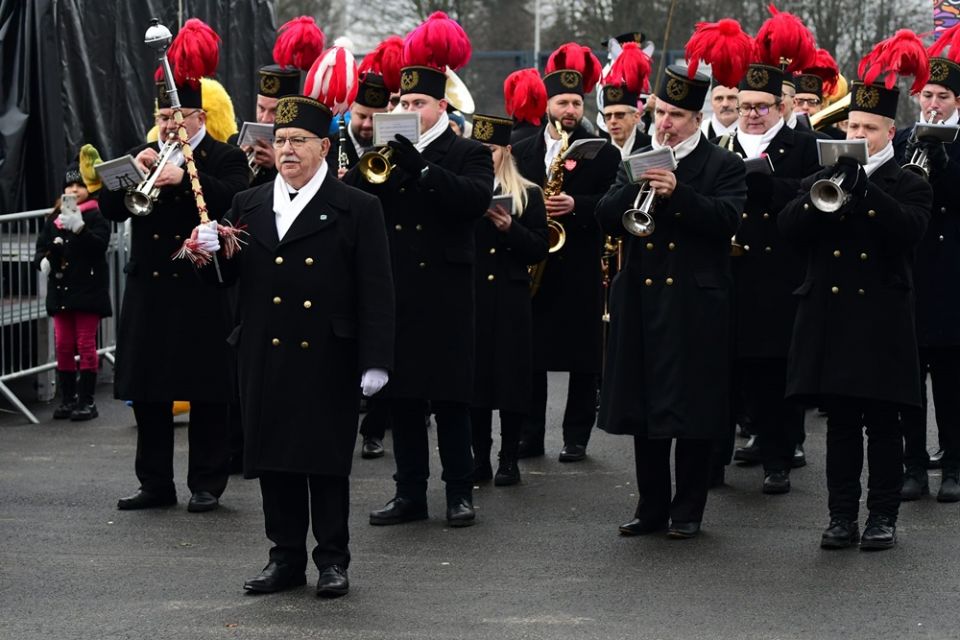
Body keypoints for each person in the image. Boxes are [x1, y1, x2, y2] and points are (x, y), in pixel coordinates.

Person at [195, 91, 395, 597]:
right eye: (279, 140)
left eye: (298, 140)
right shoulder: (250, 202)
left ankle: (332, 559)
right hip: (264, 349)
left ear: (323, 148)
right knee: (274, 460)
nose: (286, 149)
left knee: (323, 461)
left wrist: (376, 360)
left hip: (327, 353)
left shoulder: (356, 207)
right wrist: (214, 251)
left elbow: (377, 288)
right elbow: (228, 280)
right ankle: (283, 557)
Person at [778, 45, 933, 549]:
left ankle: (882, 515)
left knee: (884, 424)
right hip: (832, 315)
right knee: (843, 425)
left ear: (890, 132)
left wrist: (867, 191)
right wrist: (819, 196)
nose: (857, 136)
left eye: (868, 128)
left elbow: (909, 232)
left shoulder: (909, 181)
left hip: (883, 318)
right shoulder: (824, 175)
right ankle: (841, 515)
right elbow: (789, 230)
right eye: (851, 128)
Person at [344, 12, 494, 528]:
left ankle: (458, 492)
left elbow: (474, 201)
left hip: (447, 290)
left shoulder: (468, 151)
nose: (409, 109)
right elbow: (362, 205)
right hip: (397, 288)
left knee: (450, 396)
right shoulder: (382, 154)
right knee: (403, 396)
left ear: (441, 107)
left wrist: (423, 170)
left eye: (418, 103)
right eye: (403, 103)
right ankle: (409, 493)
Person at [596, 64, 746, 539]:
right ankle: (651, 505)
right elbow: (605, 217)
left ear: (696, 119)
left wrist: (680, 193)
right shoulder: (639, 157)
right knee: (645, 406)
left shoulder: (723, 164)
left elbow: (727, 219)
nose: (665, 122)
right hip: (642, 297)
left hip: (695, 304)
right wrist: (632, 185)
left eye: (676, 115)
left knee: (694, 408)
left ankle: (688, 509)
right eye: (661, 112)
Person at [99, 64, 249, 513]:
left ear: (200, 117)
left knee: (206, 391)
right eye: (163, 116)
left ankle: (207, 483)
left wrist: (184, 182)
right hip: (151, 290)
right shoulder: (144, 152)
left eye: (177, 115)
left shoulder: (224, 156)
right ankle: (155, 483)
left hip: (201, 290)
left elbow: (233, 198)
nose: (168, 125)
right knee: (149, 392)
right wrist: (130, 173)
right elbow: (111, 208)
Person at [511, 43, 621, 462]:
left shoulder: (603, 150)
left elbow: (612, 202)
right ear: (548, 105)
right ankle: (530, 434)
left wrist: (577, 206)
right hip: (534, 261)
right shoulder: (522, 152)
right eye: (563, 102)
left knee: (582, 354)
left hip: (579, 262)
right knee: (532, 355)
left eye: (577, 102)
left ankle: (576, 437)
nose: (571, 109)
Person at [727, 61, 820, 495]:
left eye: (762, 107)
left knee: (775, 369)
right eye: (746, 106)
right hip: (730, 268)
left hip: (779, 269)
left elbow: (814, 190)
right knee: (731, 368)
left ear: (781, 107)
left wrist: (771, 187)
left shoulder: (802, 143)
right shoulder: (722, 142)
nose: (752, 114)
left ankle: (779, 458)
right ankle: (729, 450)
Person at [893, 43, 960, 502]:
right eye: (927, 95)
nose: (932, 104)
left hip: (953, 276)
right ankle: (913, 464)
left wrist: (944, 168)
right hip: (910, 276)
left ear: (958, 102)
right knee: (907, 384)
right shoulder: (902, 140)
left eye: (942, 96)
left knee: (954, 384)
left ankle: (954, 465)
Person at [467, 113, 548, 485]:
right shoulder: (466, 189)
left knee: (511, 380)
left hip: (511, 296)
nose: (487, 155)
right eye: (480, 149)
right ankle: (479, 458)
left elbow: (538, 248)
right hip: (474, 296)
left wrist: (509, 227)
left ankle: (509, 458)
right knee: (477, 381)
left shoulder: (528, 193)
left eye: (493, 149)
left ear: (507, 151)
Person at [35, 167, 112, 421]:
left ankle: (86, 401)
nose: (74, 190)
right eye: (70, 186)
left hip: (88, 289)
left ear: (90, 188)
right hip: (61, 291)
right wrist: (44, 261)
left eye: (80, 186)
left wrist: (79, 228)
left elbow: (100, 246)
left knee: (86, 343)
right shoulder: (54, 219)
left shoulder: (96, 215)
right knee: (63, 344)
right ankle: (67, 400)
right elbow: (42, 249)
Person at [328, 73, 391, 177]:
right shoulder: (330, 145)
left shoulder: (391, 148)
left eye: (374, 118)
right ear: (351, 108)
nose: (367, 125)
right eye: (362, 116)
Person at [598, 43, 653, 159]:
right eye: (608, 116)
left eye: (620, 115)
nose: (612, 121)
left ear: (636, 117)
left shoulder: (653, 149)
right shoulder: (598, 154)